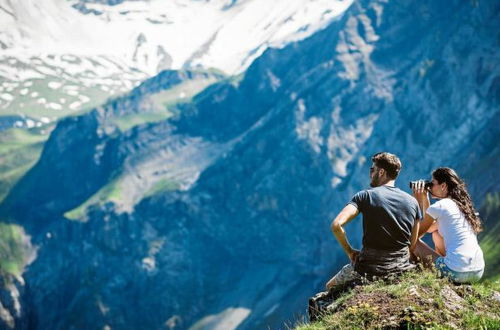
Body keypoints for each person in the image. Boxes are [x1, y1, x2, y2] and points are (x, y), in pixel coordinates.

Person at [325, 152, 421, 289]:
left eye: (372, 169)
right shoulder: (413, 202)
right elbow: (412, 245)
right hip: (401, 269)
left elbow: (336, 225)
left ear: (381, 172)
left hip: (367, 270)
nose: (370, 173)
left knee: (329, 287)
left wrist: (350, 251)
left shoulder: (365, 196)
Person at [411, 167, 484, 283]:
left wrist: (417, 201)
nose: (429, 187)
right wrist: (425, 198)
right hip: (477, 272)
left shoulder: (440, 206)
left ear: (443, 186)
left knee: (411, 242)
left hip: (456, 272)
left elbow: (416, 235)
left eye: (432, 184)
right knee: (436, 234)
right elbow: (430, 228)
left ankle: (414, 274)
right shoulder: (463, 206)